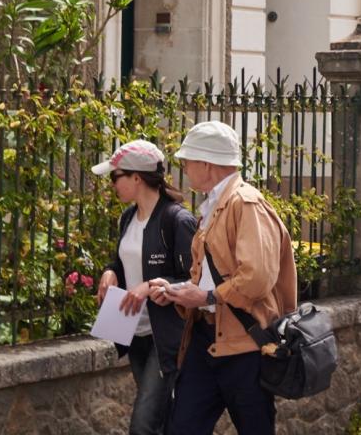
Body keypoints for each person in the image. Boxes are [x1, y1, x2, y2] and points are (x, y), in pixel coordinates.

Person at [150, 121, 295, 435]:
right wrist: (178, 292)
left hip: (245, 345)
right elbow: (206, 277)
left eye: (188, 161)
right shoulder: (215, 205)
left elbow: (257, 277)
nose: (185, 167)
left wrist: (205, 298)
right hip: (207, 340)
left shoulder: (246, 203)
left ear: (207, 163)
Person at [95, 140, 199, 435]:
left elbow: (197, 280)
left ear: (136, 177)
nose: (112, 184)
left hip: (165, 337)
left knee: (142, 425)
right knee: (159, 420)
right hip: (134, 334)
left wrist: (150, 286)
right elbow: (123, 261)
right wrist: (110, 272)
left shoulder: (176, 220)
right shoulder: (128, 218)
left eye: (116, 177)